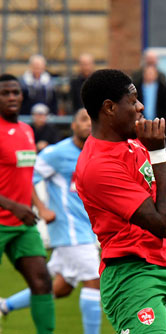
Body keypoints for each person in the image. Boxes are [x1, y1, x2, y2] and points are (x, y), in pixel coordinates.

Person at [75, 69, 166, 334]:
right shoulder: (98, 165)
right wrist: (158, 152)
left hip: (165, 268)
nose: (141, 106)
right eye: (132, 101)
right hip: (131, 275)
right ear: (109, 107)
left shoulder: (134, 144)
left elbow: (161, 213)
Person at [0, 108, 101, 334]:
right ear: (72, 126)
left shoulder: (96, 152)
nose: (88, 124)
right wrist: (42, 207)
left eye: (91, 120)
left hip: (85, 229)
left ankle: (5, 305)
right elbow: (29, 176)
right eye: (82, 120)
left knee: (59, 287)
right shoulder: (57, 153)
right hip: (70, 230)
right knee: (95, 280)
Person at [0, 74, 56, 334]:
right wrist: (13, 205)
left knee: (43, 282)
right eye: (5, 93)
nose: (12, 97)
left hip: (23, 223)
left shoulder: (27, 130)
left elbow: (27, 176)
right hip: (5, 219)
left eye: (16, 92)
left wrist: (37, 206)